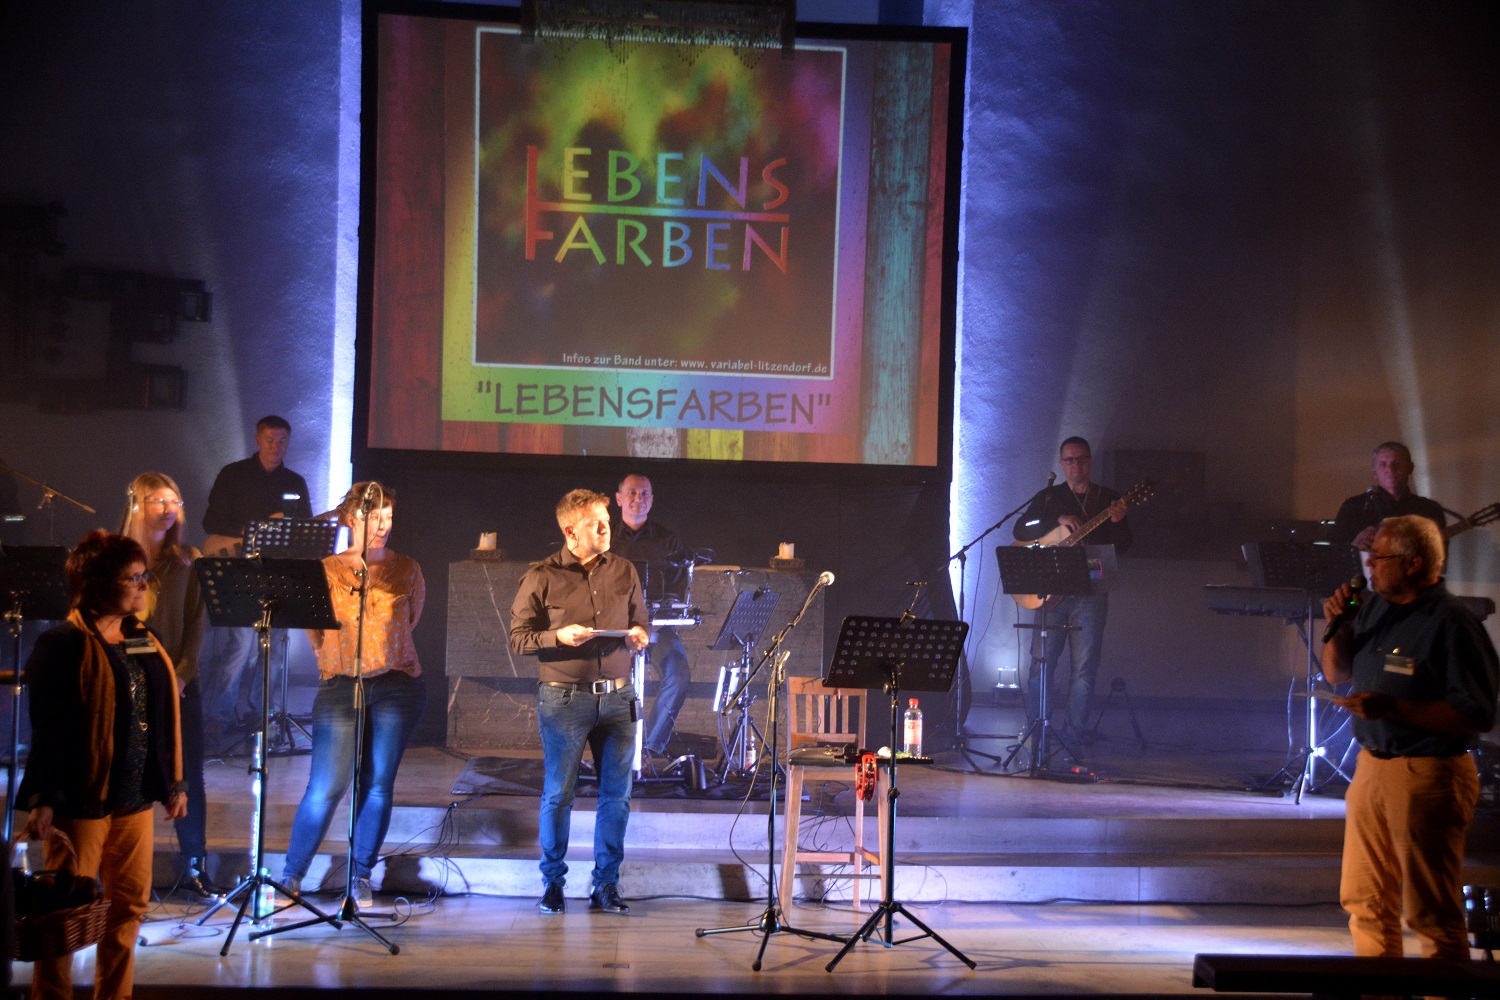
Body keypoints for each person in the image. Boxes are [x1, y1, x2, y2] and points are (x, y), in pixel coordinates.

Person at [16, 531, 187, 1000]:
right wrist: (43, 799)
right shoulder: (61, 643)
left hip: (133, 799)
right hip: (81, 801)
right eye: (132, 578)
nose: (143, 585)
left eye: (143, 576)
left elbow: (162, 715)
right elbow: (48, 730)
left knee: (128, 908)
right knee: (62, 916)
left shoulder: (142, 637)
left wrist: (175, 783)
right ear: (97, 584)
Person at [1321, 514, 1497, 960]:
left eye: (1379, 557)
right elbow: (1336, 671)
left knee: (1429, 913)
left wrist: (1397, 708)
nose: (1370, 567)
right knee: (1365, 902)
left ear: (1414, 564)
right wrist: (1340, 625)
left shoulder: (1453, 623)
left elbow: (1477, 713)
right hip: (1371, 767)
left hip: (1428, 775)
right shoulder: (1375, 608)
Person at [280, 483, 426, 908]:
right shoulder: (325, 570)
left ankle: (360, 874)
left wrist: (380, 656)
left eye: (388, 517)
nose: (382, 525)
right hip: (341, 684)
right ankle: (292, 875)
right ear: (350, 518)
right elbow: (315, 631)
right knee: (325, 785)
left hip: (397, 684)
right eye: (373, 516)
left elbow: (410, 622)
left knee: (377, 783)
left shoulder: (407, 568)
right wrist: (347, 662)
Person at [510, 489, 648, 916]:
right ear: (571, 530)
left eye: (606, 518)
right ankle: (553, 884)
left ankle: (605, 885)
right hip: (564, 699)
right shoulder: (541, 576)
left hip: (619, 698)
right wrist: (558, 637)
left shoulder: (624, 570)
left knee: (616, 797)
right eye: (595, 521)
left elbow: (640, 619)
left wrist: (640, 635)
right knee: (558, 795)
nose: (606, 526)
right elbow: (518, 638)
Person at [119, 472, 216, 900]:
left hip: (178, 683)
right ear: (138, 505)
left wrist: (181, 673)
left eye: (173, 500)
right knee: (127, 770)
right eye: (157, 500)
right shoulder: (118, 558)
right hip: (127, 682)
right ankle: (121, 865)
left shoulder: (187, 559)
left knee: (188, 773)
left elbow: (197, 622)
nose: (166, 508)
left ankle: (194, 863)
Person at [198, 415, 315, 740]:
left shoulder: (295, 482)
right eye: (270, 440)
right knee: (239, 647)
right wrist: (249, 531)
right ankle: (219, 716)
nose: (276, 447)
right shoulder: (233, 475)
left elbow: (303, 528)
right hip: (239, 571)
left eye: (282, 441)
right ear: (257, 439)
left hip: (277, 574)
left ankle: (262, 715)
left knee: (276, 650)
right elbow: (210, 520)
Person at [1012, 436, 1132, 736]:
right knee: (1041, 664)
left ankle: (1075, 735)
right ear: (1062, 464)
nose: (1076, 465)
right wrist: (1056, 518)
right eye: (1070, 460)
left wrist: (1117, 522)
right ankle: (1038, 731)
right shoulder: (1049, 497)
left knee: (1084, 669)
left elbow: (1126, 545)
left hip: (1091, 591)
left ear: (1090, 462)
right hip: (1050, 590)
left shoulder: (1109, 498)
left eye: (1081, 459)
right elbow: (1020, 529)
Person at [609, 473, 693, 758]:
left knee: (678, 673)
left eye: (644, 493)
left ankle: (650, 749)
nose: (638, 498)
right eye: (631, 493)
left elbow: (679, 590)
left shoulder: (669, 541)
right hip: (613, 630)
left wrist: (654, 623)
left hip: (657, 626)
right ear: (619, 498)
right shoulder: (603, 539)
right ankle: (616, 749)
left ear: (652, 499)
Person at [1327, 441, 1446, 553]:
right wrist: (1353, 548)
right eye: (1383, 465)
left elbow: (1439, 560)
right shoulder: (1354, 507)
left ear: (1410, 468)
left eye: (1397, 464)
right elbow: (1332, 554)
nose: (1390, 470)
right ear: (1375, 473)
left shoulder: (1430, 509)